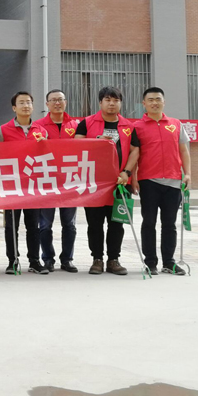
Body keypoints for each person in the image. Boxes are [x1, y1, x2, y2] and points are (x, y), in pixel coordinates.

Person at [74, 86, 140, 276]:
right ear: (100, 102)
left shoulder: (128, 126)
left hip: (120, 183)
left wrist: (127, 172)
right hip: (94, 183)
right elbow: (75, 144)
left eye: (116, 100)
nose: (112, 104)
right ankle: (97, 259)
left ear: (120, 103)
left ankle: (113, 260)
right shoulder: (87, 123)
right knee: (95, 224)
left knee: (117, 223)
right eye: (108, 100)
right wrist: (96, 140)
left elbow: (135, 150)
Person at [132, 87, 192, 276]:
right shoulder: (137, 127)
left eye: (158, 99)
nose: (154, 103)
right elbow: (134, 154)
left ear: (164, 102)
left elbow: (184, 150)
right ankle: (150, 262)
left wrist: (188, 174)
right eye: (150, 100)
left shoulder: (175, 124)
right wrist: (133, 178)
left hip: (173, 181)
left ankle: (169, 262)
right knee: (149, 222)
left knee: (169, 224)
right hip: (148, 181)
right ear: (144, 103)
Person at [0, 91, 49, 275]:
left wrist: (45, 144)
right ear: (14, 108)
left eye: (29, 102)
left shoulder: (41, 131)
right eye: (21, 103)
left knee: (33, 225)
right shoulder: (4, 130)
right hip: (12, 186)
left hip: (33, 185)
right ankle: (12, 260)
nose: (26, 106)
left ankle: (34, 260)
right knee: (11, 225)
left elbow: (48, 156)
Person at [34, 89, 80, 273]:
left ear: (66, 102)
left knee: (70, 224)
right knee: (45, 225)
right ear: (47, 104)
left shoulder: (76, 125)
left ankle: (67, 259)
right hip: (47, 181)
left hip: (69, 181)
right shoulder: (38, 126)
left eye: (60, 99)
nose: (57, 103)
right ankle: (48, 259)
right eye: (53, 100)